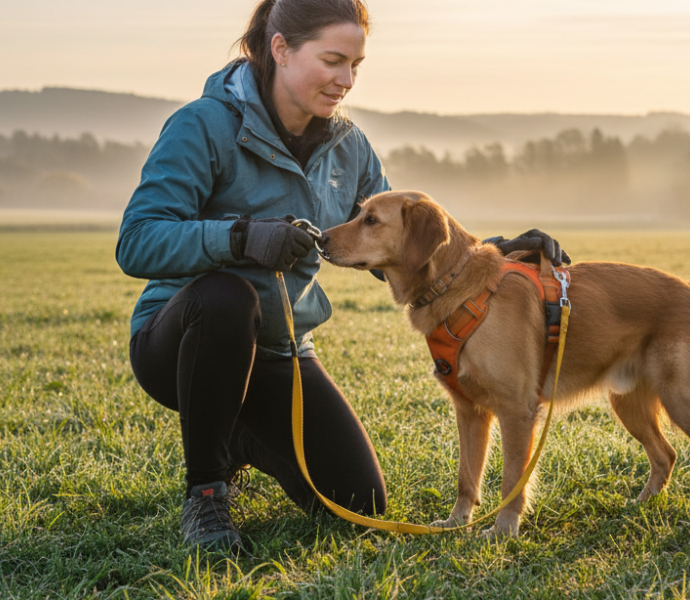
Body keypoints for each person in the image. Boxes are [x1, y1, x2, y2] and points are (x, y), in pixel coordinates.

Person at [116, 0, 570, 553]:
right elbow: (137, 240)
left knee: (360, 501)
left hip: (280, 351)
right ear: (280, 49)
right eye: (333, 60)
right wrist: (240, 237)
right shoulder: (203, 125)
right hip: (184, 341)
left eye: (355, 65)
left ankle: (235, 434)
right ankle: (207, 494)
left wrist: (495, 253)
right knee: (226, 296)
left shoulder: (348, 146)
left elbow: (398, 240)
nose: (346, 80)